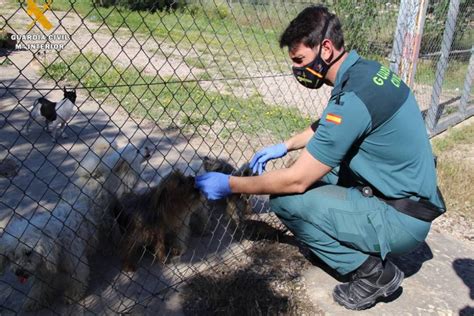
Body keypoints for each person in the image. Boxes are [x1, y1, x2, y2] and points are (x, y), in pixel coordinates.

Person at [195, 4, 445, 310]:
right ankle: (341, 238)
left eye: (300, 60)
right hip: (404, 195)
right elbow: (327, 125)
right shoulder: (364, 72)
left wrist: (230, 184)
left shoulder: (353, 98)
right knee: (304, 170)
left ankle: (371, 274)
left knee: (286, 198)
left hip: (401, 219)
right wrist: (283, 146)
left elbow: (297, 181)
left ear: (325, 48)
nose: (298, 70)